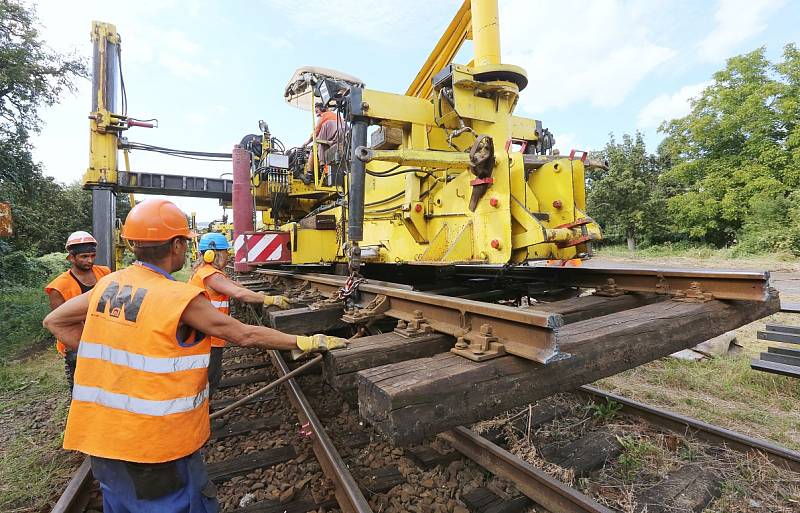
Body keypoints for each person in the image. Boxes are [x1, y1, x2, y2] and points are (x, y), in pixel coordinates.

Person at [42, 199, 346, 512]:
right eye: (185, 242)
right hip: (154, 444)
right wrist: (304, 341)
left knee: (121, 504)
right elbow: (243, 334)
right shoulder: (177, 297)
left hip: (101, 437)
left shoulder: (108, 284)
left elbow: (55, 321)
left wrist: (111, 354)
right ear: (175, 245)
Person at [189, 231, 291, 399]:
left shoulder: (205, 271)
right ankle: (203, 417)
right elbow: (238, 293)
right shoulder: (210, 275)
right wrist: (269, 299)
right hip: (208, 338)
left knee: (209, 380)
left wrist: (256, 293)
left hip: (206, 333)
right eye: (225, 252)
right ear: (213, 254)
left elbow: (235, 285)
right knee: (209, 381)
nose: (228, 257)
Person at [44, 231, 112, 390]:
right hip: (77, 344)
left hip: (106, 338)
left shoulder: (105, 273)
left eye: (92, 255)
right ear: (71, 258)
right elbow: (62, 323)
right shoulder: (58, 287)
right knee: (82, 389)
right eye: (84, 256)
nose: (90, 260)